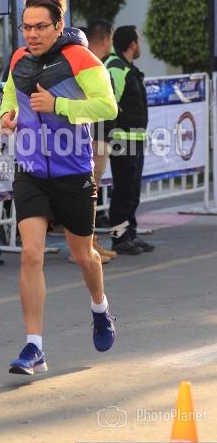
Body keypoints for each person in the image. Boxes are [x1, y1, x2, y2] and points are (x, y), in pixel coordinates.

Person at [0, 0, 118, 375]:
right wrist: (6, 116)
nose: (31, 34)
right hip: (30, 170)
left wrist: (58, 105)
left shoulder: (81, 59)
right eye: (26, 27)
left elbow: (107, 106)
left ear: (58, 25)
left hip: (73, 172)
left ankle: (100, 308)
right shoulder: (19, 58)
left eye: (40, 27)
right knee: (31, 254)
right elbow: (9, 97)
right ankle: (34, 346)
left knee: (83, 255)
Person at [105, 25, 155, 255]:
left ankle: (130, 234)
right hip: (122, 139)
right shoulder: (116, 68)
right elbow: (110, 103)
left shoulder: (127, 67)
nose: (140, 44)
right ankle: (119, 238)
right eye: (139, 40)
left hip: (134, 138)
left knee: (132, 191)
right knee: (123, 190)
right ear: (133, 44)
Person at [84, 19, 117, 262]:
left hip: (99, 136)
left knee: (92, 193)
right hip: (93, 137)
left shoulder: (95, 64)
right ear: (105, 39)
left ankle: (91, 242)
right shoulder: (89, 65)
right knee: (88, 193)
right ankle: (85, 247)